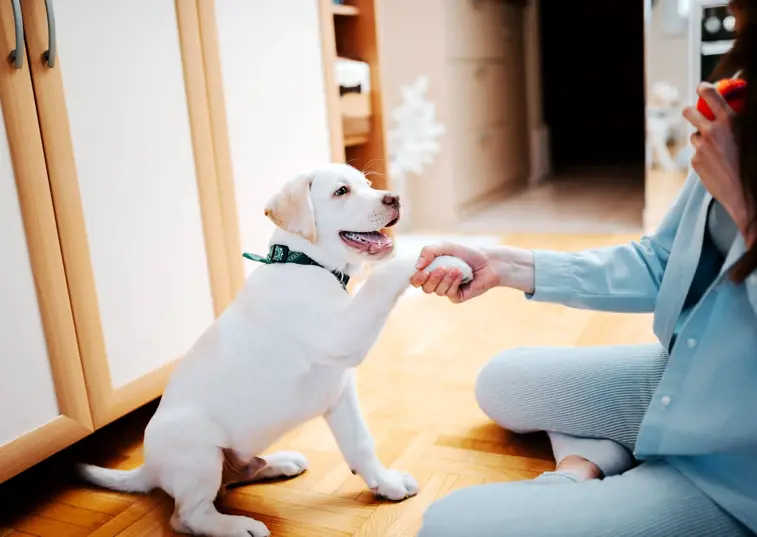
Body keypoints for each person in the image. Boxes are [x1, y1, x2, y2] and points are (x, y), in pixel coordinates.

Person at [411, 2, 756, 535]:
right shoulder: (739, 104)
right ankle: (601, 461)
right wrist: (505, 265)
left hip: (738, 467)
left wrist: (744, 204)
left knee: (448, 524)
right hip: (693, 378)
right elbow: (662, 260)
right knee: (503, 380)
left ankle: (582, 479)